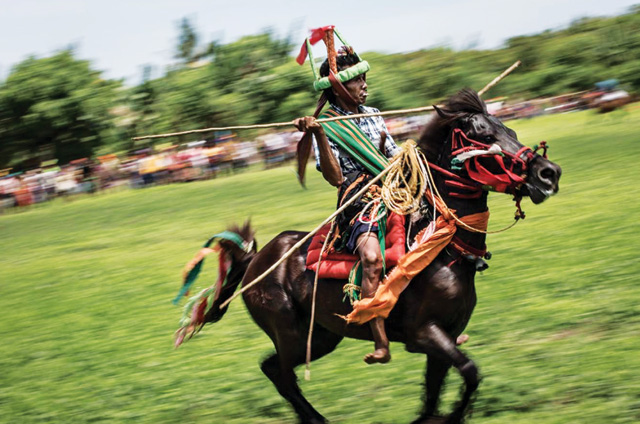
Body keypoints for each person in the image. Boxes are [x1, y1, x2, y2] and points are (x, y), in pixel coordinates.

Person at [294, 29, 399, 364]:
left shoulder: (373, 113)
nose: (365, 86)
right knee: (371, 257)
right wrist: (320, 136)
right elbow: (336, 177)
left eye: (365, 79)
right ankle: (381, 340)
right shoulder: (327, 124)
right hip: (359, 200)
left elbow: (393, 154)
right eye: (358, 82)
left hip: (395, 191)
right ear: (339, 87)